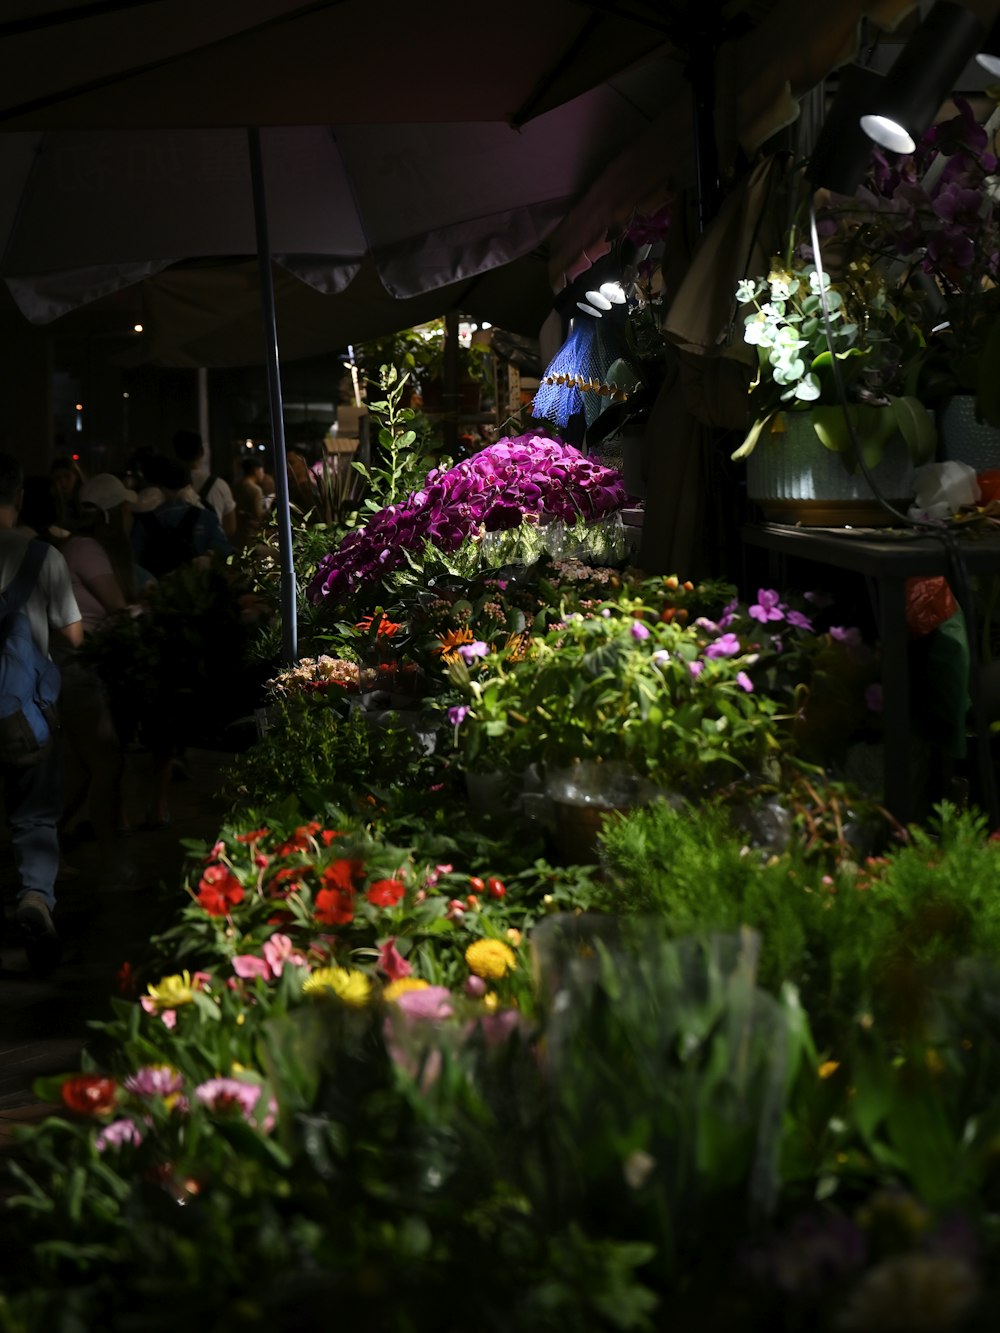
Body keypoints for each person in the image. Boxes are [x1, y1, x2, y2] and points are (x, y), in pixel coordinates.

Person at [0, 452, 83, 970]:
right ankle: (34, 897)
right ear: (19, 497)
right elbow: (73, 633)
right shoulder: (42, 557)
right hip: (21, 719)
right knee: (33, 815)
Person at [59, 473, 140, 859]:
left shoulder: (86, 548)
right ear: (109, 514)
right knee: (105, 759)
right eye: (125, 509)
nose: (131, 516)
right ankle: (112, 862)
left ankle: (43, 836)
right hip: (75, 664)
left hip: (79, 663)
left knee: (83, 765)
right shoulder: (88, 549)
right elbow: (119, 608)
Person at [131, 456, 234, 577]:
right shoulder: (207, 517)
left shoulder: (144, 522)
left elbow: (134, 563)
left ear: (160, 486)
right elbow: (228, 555)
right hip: (200, 590)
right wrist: (209, 557)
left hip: (157, 591)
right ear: (189, 484)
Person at [172, 429, 237, 542]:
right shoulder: (219, 485)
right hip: (210, 553)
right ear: (202, 452)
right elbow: (230, 528)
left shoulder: (167, 485)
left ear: (175, 453)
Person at [233, 455, 268, 550]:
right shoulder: (255, 490)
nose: (263, 474)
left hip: (238, 529)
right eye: (262, 470)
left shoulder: (238, 485)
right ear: (256, 470)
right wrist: (268, 509)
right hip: (251, 531)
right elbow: (258, 514)